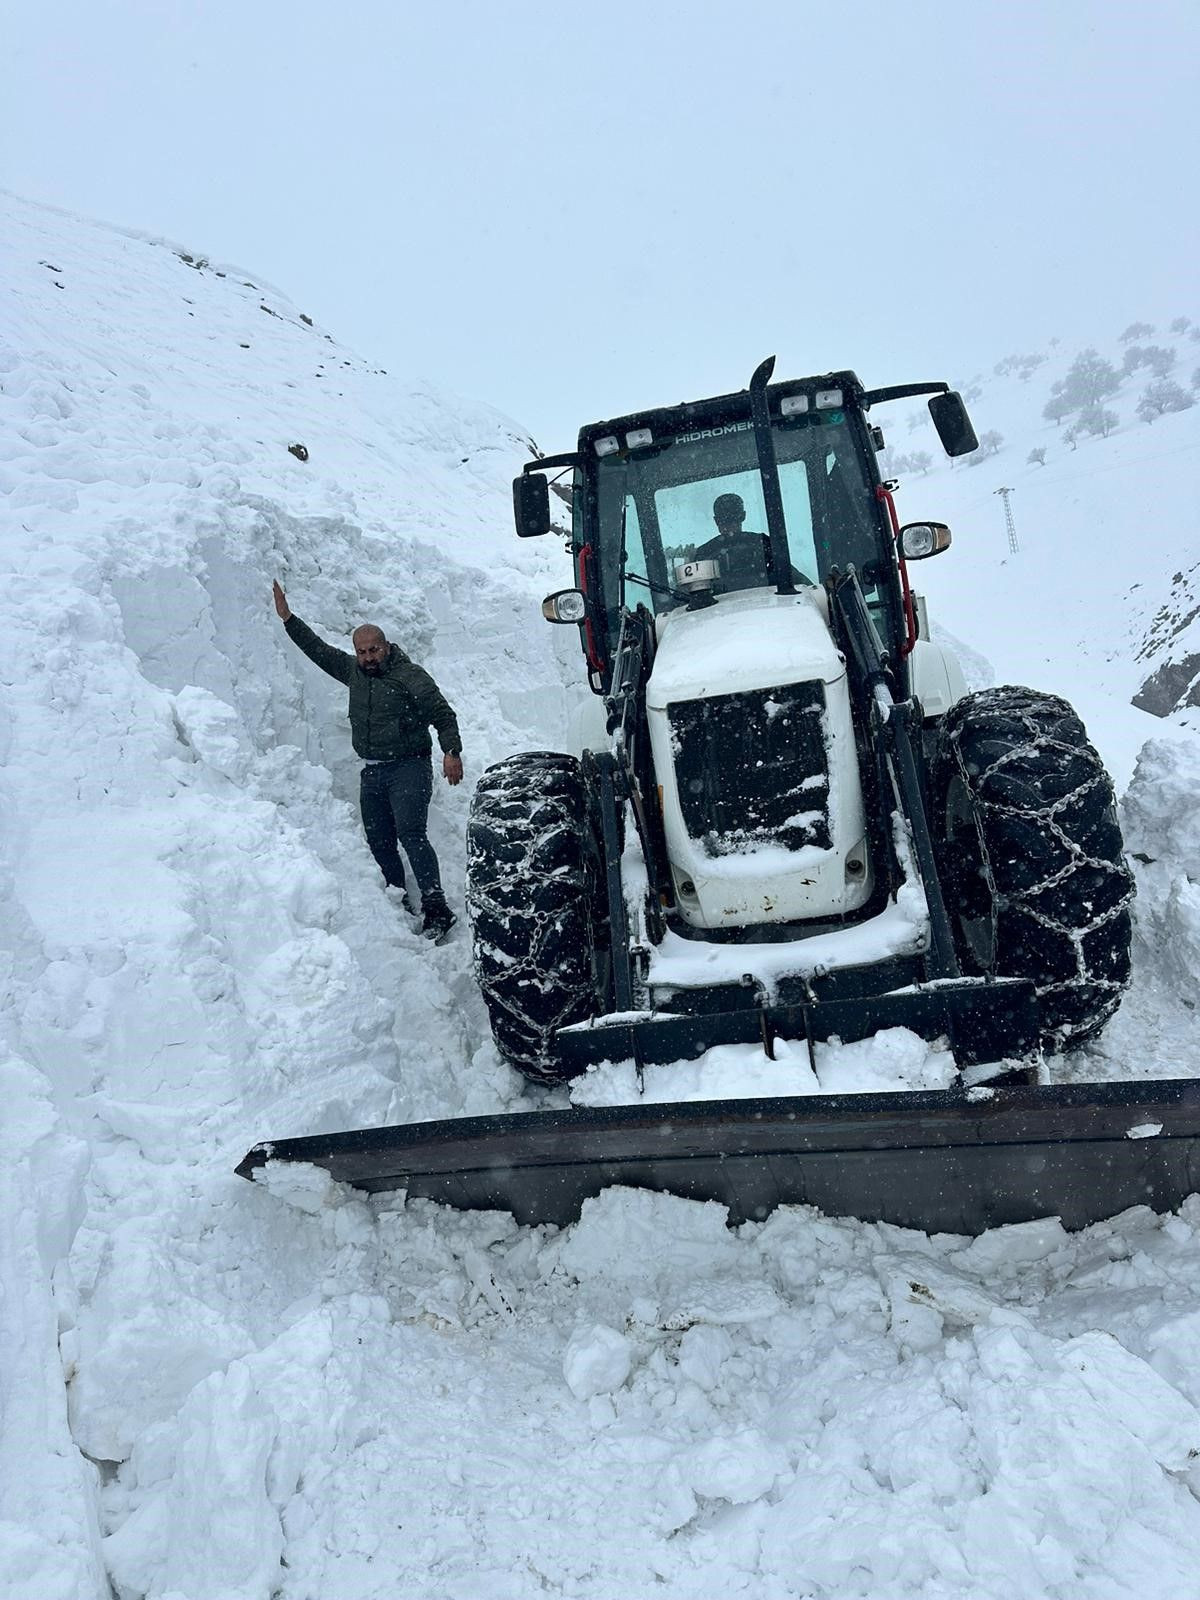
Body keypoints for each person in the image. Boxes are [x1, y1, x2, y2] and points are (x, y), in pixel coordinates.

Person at [272, 580, 462, 939]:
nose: (368, 657)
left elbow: (443, 714)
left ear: (387, 647)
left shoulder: (410, 677)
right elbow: (317, 650)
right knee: (379, 840)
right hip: (372, 772)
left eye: (374, 649)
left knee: (411, 834)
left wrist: (451, 752)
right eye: (362, 651)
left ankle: (437, 906)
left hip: (409, 767)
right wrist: (288, 618)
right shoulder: (354, 673)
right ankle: (399, 900)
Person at [694, 493, 773, 592]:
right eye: (723, 520)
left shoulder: (705, 553)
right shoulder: (762, 543)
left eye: (733, 518)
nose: (729, 525)